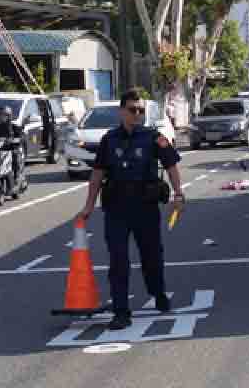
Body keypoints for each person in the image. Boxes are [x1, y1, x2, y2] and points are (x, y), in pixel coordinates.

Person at [76, 88, 184, 330]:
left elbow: (171, 165)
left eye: (141, 110)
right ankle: (121, 311)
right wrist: (88, 206)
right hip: (116, 209)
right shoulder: (109, 139)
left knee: (152, 256)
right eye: (133, 110)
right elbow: (97, 174)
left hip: (145, 207)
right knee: (118, 260)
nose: (137, 114)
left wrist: (178, 193)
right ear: (121, 111)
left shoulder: (153, 137)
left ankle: (158, 294)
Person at [0, 106, 27, 192]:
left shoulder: (14, 128)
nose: (1, 117)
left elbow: (22, 136)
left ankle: (17, 180)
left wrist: (17, 139)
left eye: (3, 115)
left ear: (9, 116)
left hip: (12, 151)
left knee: (16, 157)